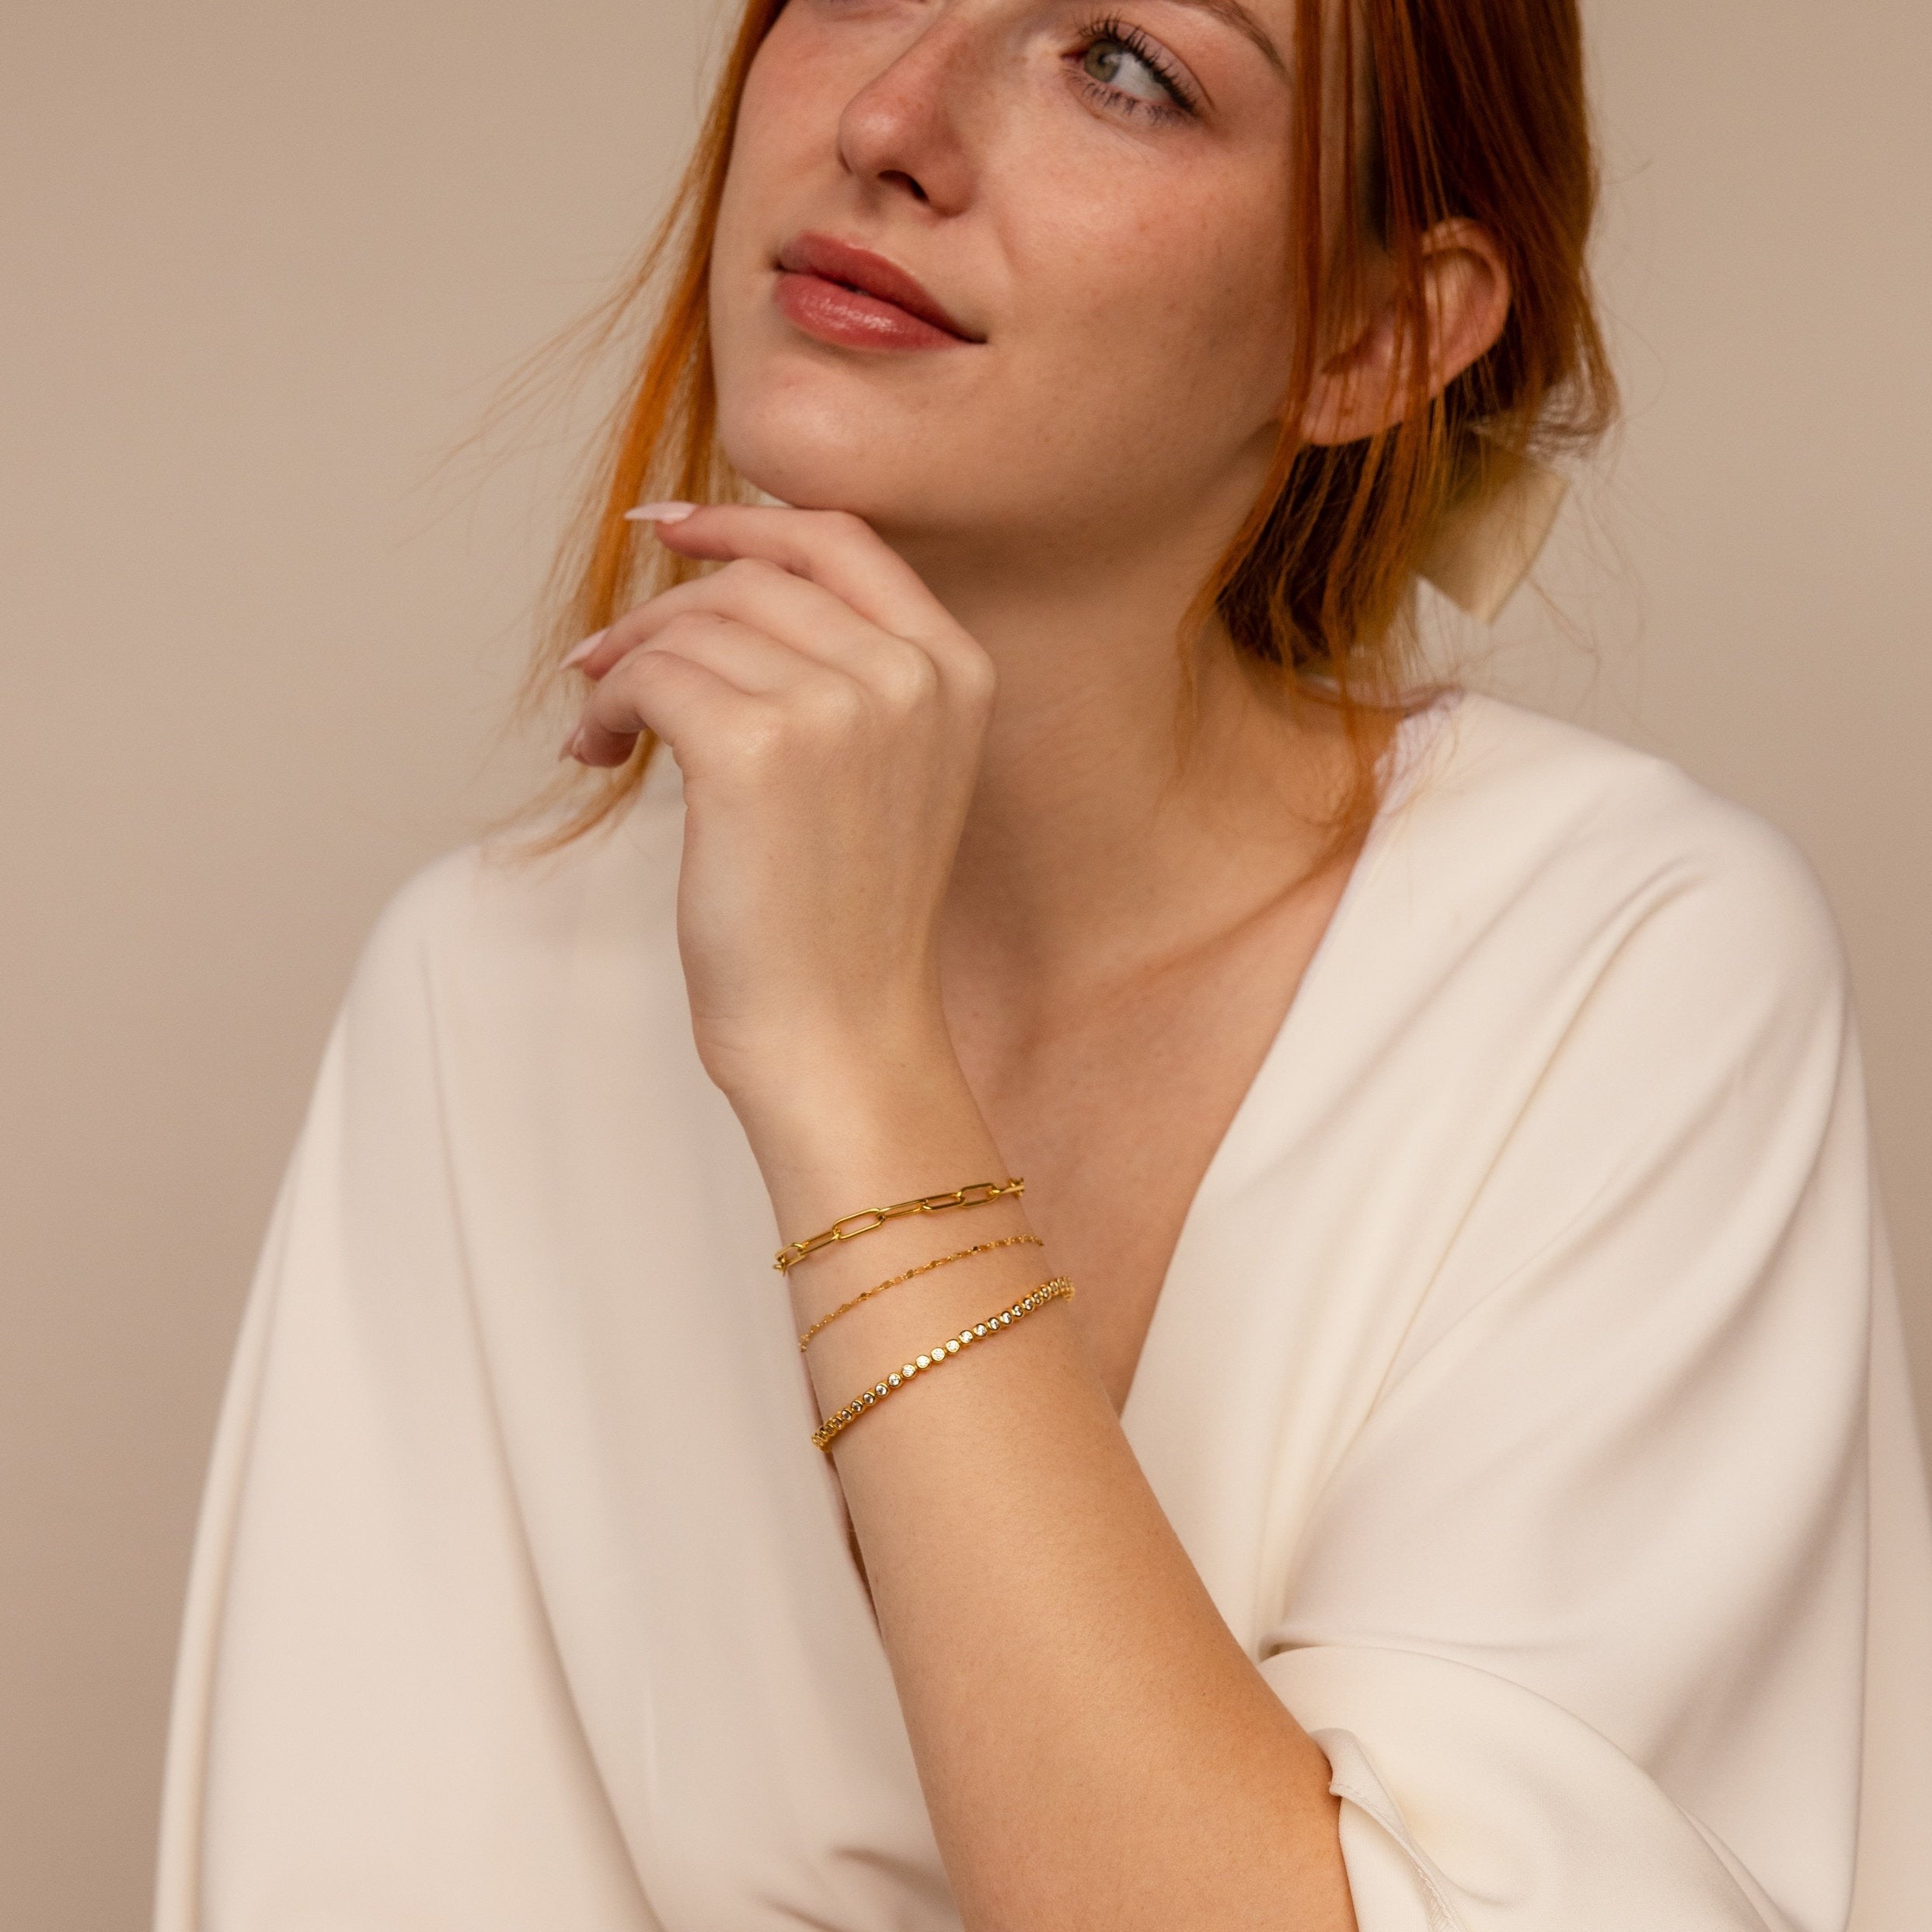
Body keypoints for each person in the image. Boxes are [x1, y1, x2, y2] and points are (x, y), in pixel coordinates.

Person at [155, 0, 1932, 1926]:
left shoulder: (1621, 963)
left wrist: (849, 1073)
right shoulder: (487, 992)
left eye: (1125, 64)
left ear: (1375, 335)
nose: (895, 120)